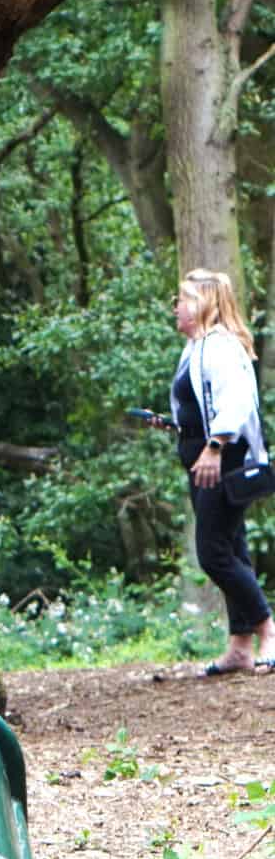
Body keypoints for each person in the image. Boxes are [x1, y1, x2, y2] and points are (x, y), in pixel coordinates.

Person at [165, 268, 275, 676]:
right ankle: (239, 647)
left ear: (202, 305)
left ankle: (267, 628)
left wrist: (214, 446)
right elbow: (201, 403)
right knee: (232, 547)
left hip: (222, 460)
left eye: (182, 300)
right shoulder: (196, 347)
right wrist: (177, 425)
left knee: (213, 552)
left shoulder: (219, 346)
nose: (175, 308)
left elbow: (238, 402)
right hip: (204, 455)